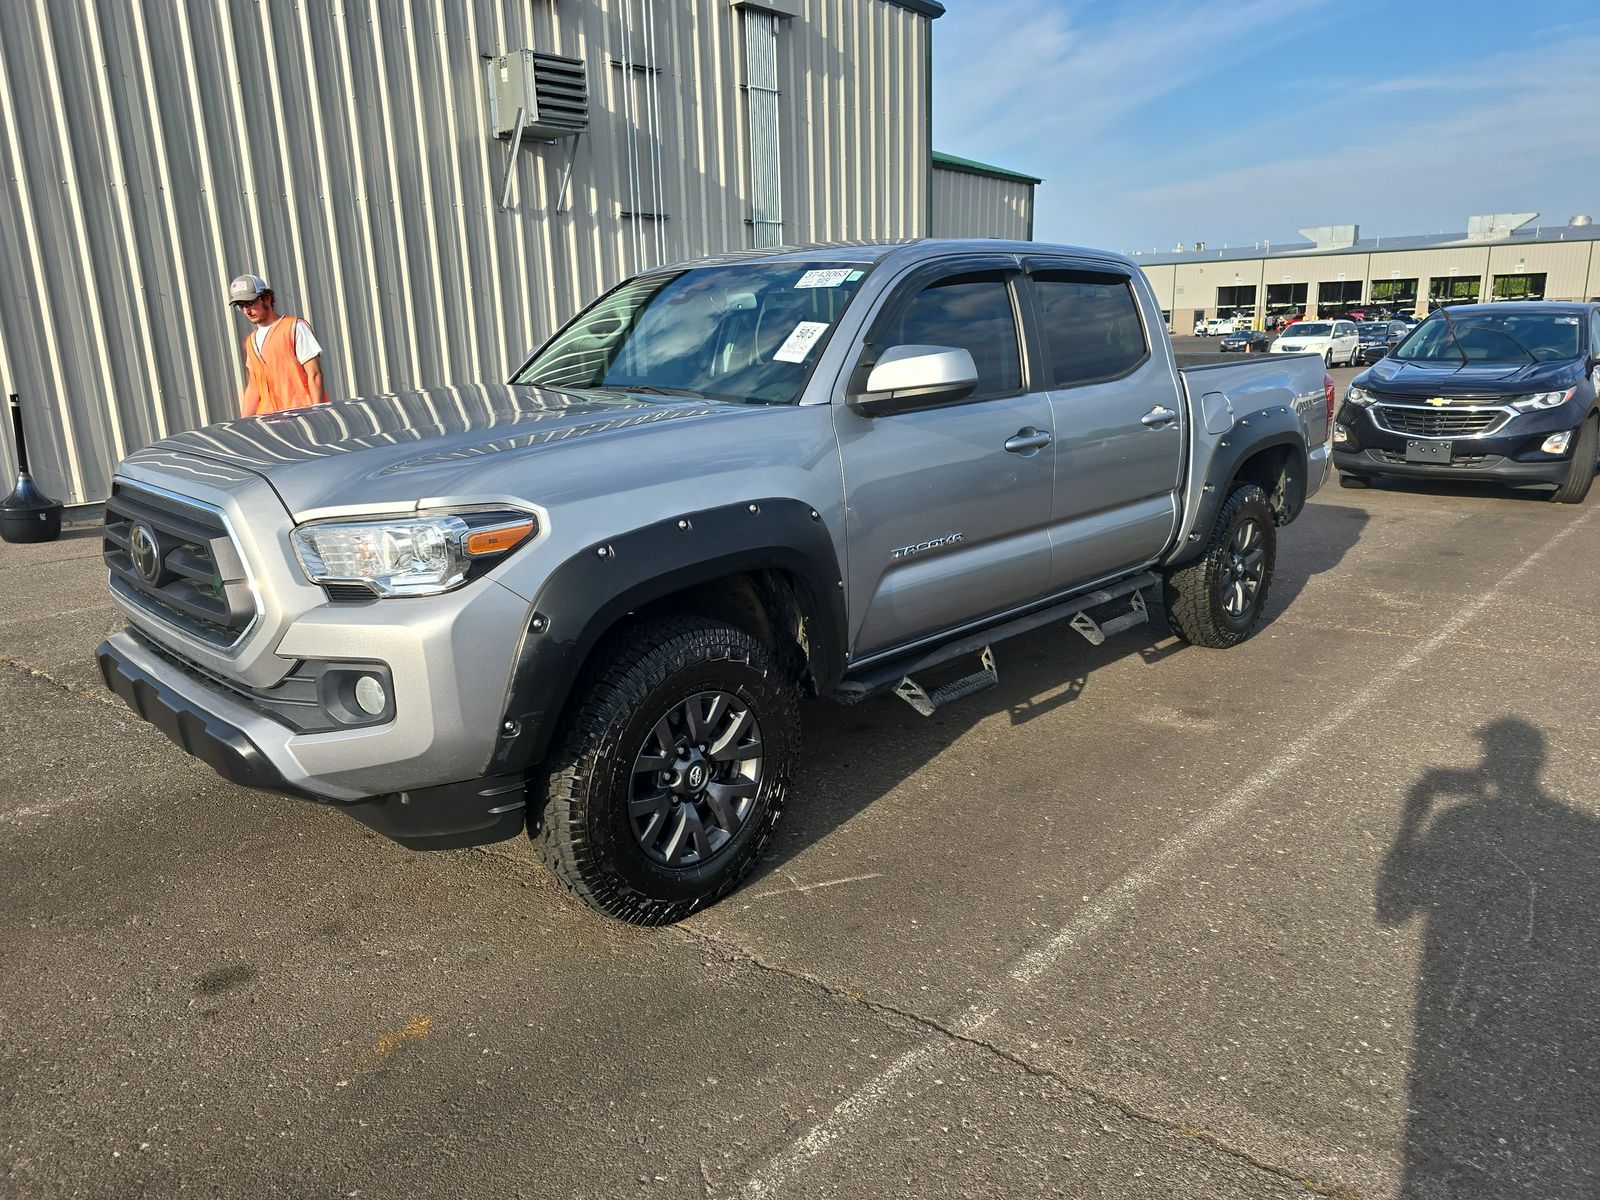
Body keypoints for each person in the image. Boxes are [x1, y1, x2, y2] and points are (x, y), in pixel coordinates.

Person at [228, 272, 328, 416]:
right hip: (270, 424)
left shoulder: (294, 327)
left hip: (301, 417)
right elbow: (254, 387)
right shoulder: (251, 341)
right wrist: (244, 424)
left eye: (250, 303)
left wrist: (318, 415)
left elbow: (315, 374)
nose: (246, 311)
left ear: (267, 298)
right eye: (240, 305)